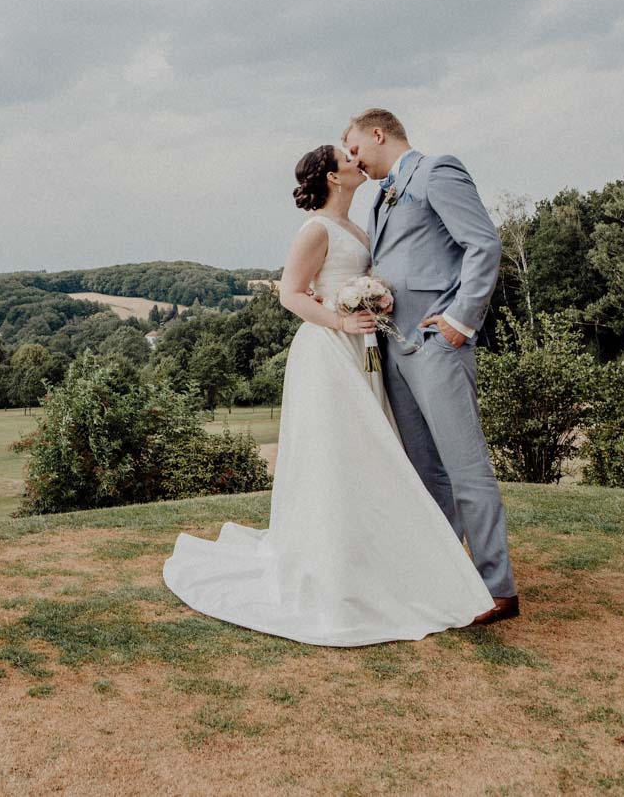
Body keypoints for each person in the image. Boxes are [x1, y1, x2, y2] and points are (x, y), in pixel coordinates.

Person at [161, 143, 495, 646]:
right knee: (336, 454)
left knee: (370, 453)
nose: (356, 160)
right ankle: (333, 564)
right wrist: (341, 317)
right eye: (346, 157)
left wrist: (376, 304)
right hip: (327, 352)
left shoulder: (359, 229)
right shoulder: (316, 229)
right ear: (333, 178)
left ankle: (374, 555)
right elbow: (291, 292)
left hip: (363, 351)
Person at [342, 108, 518, 624]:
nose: (354, 159)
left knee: (465, 467)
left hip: (438, 343)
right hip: (394, 350)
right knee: (425, 472)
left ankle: (497, 589)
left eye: (356, 148)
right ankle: (445, 576)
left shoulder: (438, 170)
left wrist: (462, 320)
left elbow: (482, 243)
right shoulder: (379, 197)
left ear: (379, 134)